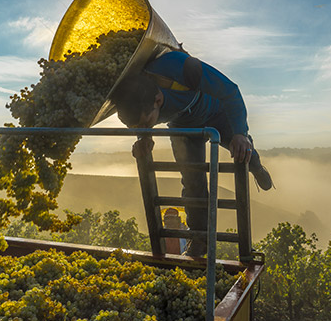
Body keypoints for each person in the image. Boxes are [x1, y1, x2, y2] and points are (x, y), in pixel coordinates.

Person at [112, 50, 273, 256]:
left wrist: (240, 133)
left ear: (158, 100)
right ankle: (199, 238)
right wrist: (144, 138)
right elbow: (141, 123)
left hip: (217, 113)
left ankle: (257, 168)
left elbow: (231, 91)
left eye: (145, 123)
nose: (143, 127)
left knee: (244, 151)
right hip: (184, 128)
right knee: (191, 180)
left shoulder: (182, 69)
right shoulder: (135, 96)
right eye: (136, 127)